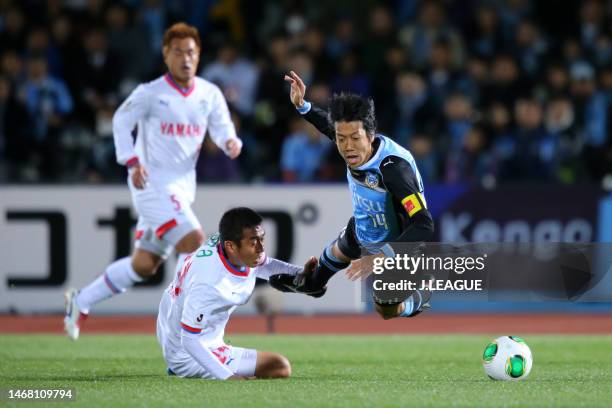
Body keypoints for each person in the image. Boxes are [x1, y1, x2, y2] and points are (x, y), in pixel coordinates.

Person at [64, 22, 242, 340]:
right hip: (152, 184)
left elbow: (221, 125)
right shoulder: (150, 94)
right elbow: (119, 120)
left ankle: (81, 301)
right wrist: (131, 160)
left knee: (144, 265)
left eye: (191, 52)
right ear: (165, 55)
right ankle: (185, 331)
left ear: (198, 55)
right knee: (195, 244)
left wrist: (230, 140)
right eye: (178, 53)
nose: (185, 59)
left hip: (182, 188)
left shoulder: (208, 93)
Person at [271, 71, 434, 320]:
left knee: (386, 309)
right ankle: (313, 284)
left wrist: (379, 258)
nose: (347, 146)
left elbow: (423, 223)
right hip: (363, 228)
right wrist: (302, 105)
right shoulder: (348, 138)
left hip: (398, 242)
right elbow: (328, 124)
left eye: (355, 138)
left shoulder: (394, 170)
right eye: (341, 139)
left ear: (370, 135)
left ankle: (419, 298)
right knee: (329, 263)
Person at [158, 207, 315, 380]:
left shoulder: (232, 247)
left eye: (262, 239)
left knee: (276, 366)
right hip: (186, 352)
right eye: (253, 242)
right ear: (231, 246)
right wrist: (227, 376)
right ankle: (182, 369)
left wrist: (301, 274)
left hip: (199, 337)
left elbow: (266, 264)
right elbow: (189, 339)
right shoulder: (209, 282)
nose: (261, 248)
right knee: (279, 367)